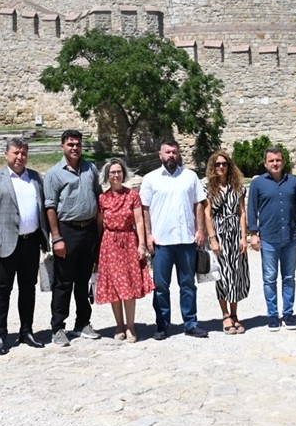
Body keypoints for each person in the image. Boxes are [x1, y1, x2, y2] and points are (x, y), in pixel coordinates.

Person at [0, 137, 48, 355]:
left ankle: (26, 331)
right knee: (2, 290)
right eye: (16, 153)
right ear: (6, 154)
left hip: (31, 242)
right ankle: (0, 335)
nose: (20, 157)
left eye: (23, 153)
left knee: (28, 288)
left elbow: (42, 207)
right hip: (5, 244)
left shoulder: (35, 177)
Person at [140, 138, 208, 339]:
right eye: (167, 152)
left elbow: (199, 203)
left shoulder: (190, 176)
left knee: (188, 285)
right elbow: (145, 209)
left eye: (174, 152)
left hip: (186, 240)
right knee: (161, 287)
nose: (171, 155)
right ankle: (162, 325)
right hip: (161, 242)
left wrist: (200, 230)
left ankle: (191, 323)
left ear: (179, 154)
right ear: (160, 155)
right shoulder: (150, 179)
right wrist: (148, 235)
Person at [43, 129, 103, 347]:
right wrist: (56, 238)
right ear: (62, 146)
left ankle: (83, 322)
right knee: (64, 282)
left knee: (83, 280)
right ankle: (58, 327)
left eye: (77, 144)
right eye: (70, 144)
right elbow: (50, 206)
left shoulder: (90, 168)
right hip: (67, 231)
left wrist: (100, 233)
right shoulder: (54, 174)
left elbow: (98, 196)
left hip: (88, 230)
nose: (75, 148)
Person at [247, 147, 296, 331]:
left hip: (290, 236)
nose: (275, 163)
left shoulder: (293, 182)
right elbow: (252, 209)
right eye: (271, 160)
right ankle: (273, 315)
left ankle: (288, 314)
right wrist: (253, 233)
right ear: (265, 163)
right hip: (268, 238)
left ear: (283, 162)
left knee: (289, 277)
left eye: (278, 160)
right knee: (269, 278)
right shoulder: (258, 183)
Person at [95, 158, 153, 342]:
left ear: (124, 173)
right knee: (113, 287)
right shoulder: (102, 199)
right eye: (112, 172)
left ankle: (130, 327)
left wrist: (141, 244)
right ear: (107, 175)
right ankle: (119, 325)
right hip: (109, 244)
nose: (116, 175)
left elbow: (139, 221)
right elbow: (99, 225)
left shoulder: (132, 196)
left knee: (128, 285)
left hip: (128, 241)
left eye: (119, 171)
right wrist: (98, 248)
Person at [203, 150, 249, 334]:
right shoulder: (208, 189)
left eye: (224, 164)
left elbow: (242, 212)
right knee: (222, 275)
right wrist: (213, 239)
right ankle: (225, 315)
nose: (221, 167)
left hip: (235, 234)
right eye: (217, 164)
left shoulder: (238, 187)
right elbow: (207, 215)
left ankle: (235, 314)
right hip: (219, 235)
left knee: (236, 274)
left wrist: (243, 237)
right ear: (212, 167)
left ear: (229, 166)